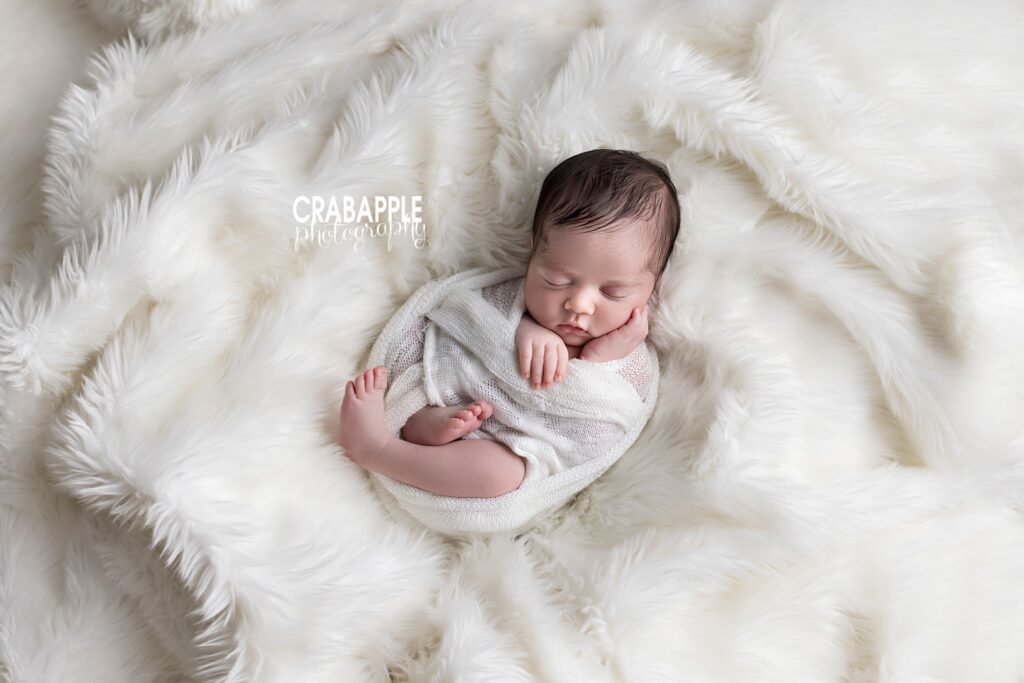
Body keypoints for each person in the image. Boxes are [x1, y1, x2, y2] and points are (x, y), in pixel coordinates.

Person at [339, 148, 680, 499]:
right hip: (462, 402)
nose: (578, 303)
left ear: (651, 285)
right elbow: (463, 314)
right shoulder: (511, 298)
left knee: (498, 474)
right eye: (557, 280)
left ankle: (376, 449)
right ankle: (417, 429)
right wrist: (523, 329)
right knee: (429, 407)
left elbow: (600, 426)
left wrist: (597, 361)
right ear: (534, 253)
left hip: (515, 446)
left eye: (613, 291)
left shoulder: (631, 359)